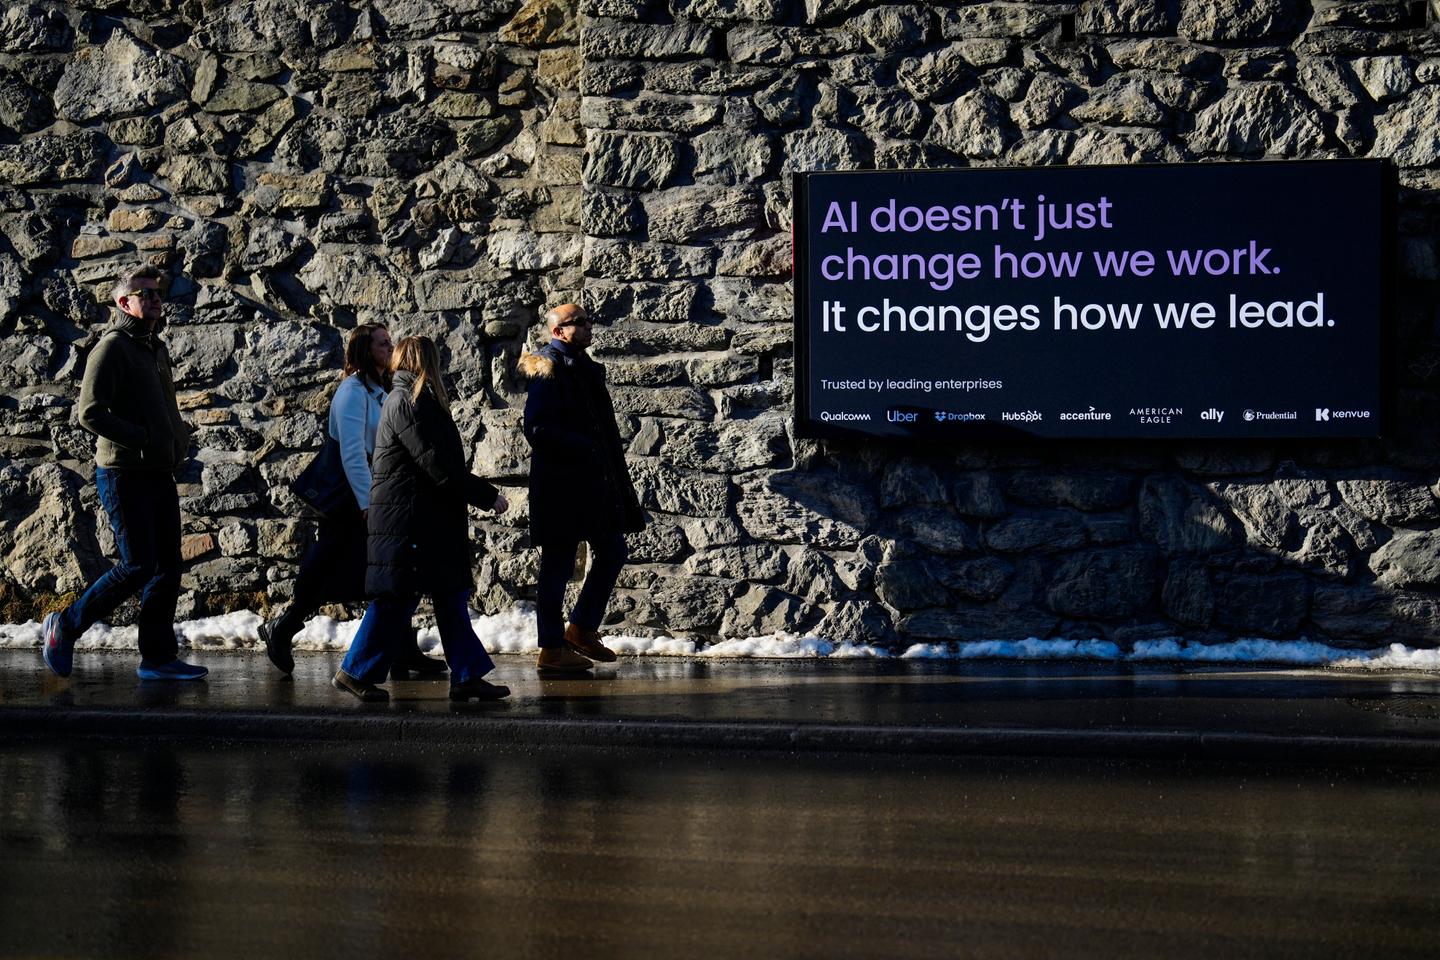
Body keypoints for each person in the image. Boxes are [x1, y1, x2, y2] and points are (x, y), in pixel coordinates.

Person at [41, 265, 204, 681]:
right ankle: (66, 624)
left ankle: (157, 658)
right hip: (122, 472)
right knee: (137, 565)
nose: (152, 299)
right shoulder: (111, 347)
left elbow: (163, 406)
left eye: (155, 294)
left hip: (157, 472)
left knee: (168, 566)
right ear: (123, 303)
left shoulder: (155, 347)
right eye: (143, 293)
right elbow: (90, 413)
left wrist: (176, 440)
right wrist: (143, 438)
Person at [258, 324, 447, 680]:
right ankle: (283, 627)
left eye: (390, 342)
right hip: (350, 500)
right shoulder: (352, 391)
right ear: (363, 349)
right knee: (331, 566)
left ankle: (400, 648)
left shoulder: (381, 389)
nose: (390, 347)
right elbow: (352, 454)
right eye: (382, 343)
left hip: (373, 496)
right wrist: (367, 503)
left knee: (391, 571)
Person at [333, 336, 511, 702]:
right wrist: (487, 495)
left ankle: (467, 675)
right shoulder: (407, 403)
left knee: (449, 595)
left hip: (422, 521)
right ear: (426, 363)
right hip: (409, 523)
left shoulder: (410, 400)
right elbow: (439, 465)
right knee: (395, 599)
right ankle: (354, 672)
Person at [518, 303, 646, 675]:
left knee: (613, 548)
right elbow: (537, 429)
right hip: (562, 488)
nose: (589, 327)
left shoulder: (583, 368)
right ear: (559, 331)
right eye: (580, 322)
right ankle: (551, 647)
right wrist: (584, 448)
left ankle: (581, 628)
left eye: (589, 320)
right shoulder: (548, 368)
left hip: (591, 486)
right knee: (556, 567)